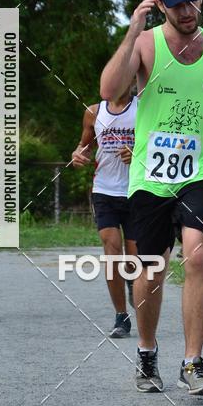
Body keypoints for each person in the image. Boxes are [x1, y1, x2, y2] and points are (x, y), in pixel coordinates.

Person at [100, 0, 203, 396]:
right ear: (160, 4)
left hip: (201, 168)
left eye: (192, 0)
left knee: (198, 255)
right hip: (150, 175)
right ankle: (147, 352)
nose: (187, 11)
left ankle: (193, 362)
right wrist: (131, 30)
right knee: (152, 269)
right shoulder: (145, 44)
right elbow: (110, 91)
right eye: (176, 3)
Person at [72, 88, 138, 337]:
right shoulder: (93, 112)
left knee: (133, 258)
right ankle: (121, 317)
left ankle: (132, 281)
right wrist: (78, 155)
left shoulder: (144, 108)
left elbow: (158, 146)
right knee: (111, 249)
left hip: (137, 191)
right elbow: (84, 146)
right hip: (104, 191)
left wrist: (138, 153)